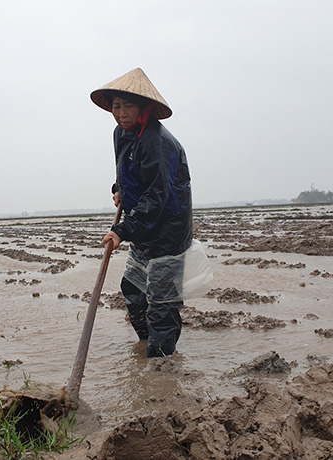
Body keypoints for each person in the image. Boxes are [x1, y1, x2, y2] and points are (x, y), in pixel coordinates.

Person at [91, 68, 193, 358]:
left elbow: (157, 194)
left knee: (162, 302)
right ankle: (150, 343)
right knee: (133, 289)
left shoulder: (158, 141)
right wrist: (119, 188)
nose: (121, 114)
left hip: (167, 228)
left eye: (128, 106)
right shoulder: (122, 133)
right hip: (144, 225)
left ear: (144, 107)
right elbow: (127, 170)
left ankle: (161, 366)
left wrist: (122, 230)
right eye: (116, 106)